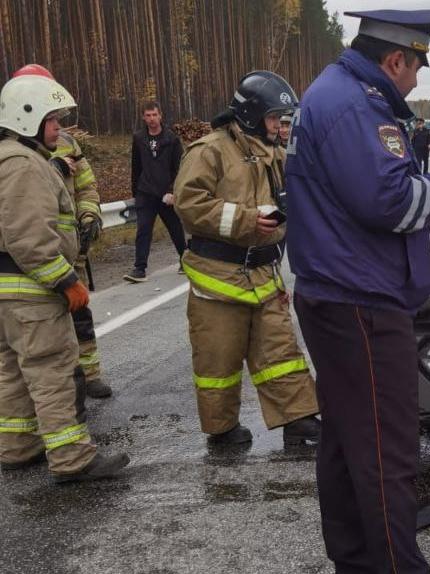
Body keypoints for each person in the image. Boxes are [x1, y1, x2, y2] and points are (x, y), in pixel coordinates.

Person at [286, 10, 430, 574]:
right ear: (397, 58)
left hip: (340, 293)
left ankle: (357, 564)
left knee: (348, 441)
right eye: (418, 66)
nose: (417, 80)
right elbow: (393, 202)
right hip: (360, 302)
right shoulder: (355, 106)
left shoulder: (338, 95)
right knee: (387, 455)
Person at [173, 71, 321, 448]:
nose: (279, 126)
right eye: (274, 118)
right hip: (217, 280)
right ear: (252, 114)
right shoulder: (209, 151)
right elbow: (190, 204)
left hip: (263, 275)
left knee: (281, 351)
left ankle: (299, 418)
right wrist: (246, 219)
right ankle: (221, 430)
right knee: (217, 361)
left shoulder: (275, 154)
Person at [0, 72, 129, 482]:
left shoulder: (9, 157)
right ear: (27, 119)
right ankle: (72, 458)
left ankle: (18, 447)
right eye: (52, 119)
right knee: (52, 371)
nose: (59, 127)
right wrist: (65, 281)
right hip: (31, 291)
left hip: (8, 293)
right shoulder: (24, 164)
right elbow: (30, 237)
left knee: (13, 373)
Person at [11, 64, 114, 399]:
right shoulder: (13, 151)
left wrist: (90, 215)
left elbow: (86, 183)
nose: (54, 122)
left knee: (79, 314)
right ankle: (58, 384)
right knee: (41, 329)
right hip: (35, 256)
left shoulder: (67, 142)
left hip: (71, 250)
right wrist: (50, 168)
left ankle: (89, 373)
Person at [124, 101, 187, 283]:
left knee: (175, 228)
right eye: (148, 115)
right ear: (143, 117)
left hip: (166, 193)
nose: (152, 119)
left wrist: (173, 191)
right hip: (146, 192)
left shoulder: (172, 139)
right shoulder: (139, 138)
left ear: (160, 116)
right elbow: (136, 166)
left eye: (154, 115)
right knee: (143, 230)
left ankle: (185, 259)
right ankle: (139, 268)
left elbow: (179, 168)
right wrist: (135, 191)